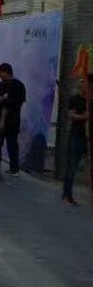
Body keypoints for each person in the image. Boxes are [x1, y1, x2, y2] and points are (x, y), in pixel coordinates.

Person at [0, 63, 26, 179]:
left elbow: (7, 103)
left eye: (0, 72)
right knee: (5, 144)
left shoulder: (16, 85)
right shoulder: (3, 85)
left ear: (5, 72)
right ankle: (7, 168)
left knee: (6, 144)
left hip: (8, 120)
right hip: (7, 120)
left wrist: (2, 121)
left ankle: (9, 168)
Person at [61, 76, 93, 206]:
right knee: (72, 167)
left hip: (90, 138)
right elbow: (71, 115)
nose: (85, 86)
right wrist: (83, 117)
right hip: (77, 137)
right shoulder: (75, 99)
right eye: (83, 82)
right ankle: (66, 195)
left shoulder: (91, 101)